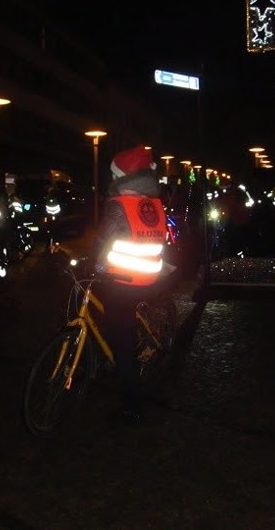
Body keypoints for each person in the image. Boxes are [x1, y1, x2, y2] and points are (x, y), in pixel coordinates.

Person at [91, 145, 167, 424]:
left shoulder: (118, 205)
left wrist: (92, 263)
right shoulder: (154, 203)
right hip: (150, 277)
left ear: (120, 176)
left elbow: (102, 242)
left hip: (123, 280)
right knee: (121, 324)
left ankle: (133, 405)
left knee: (119, 338)